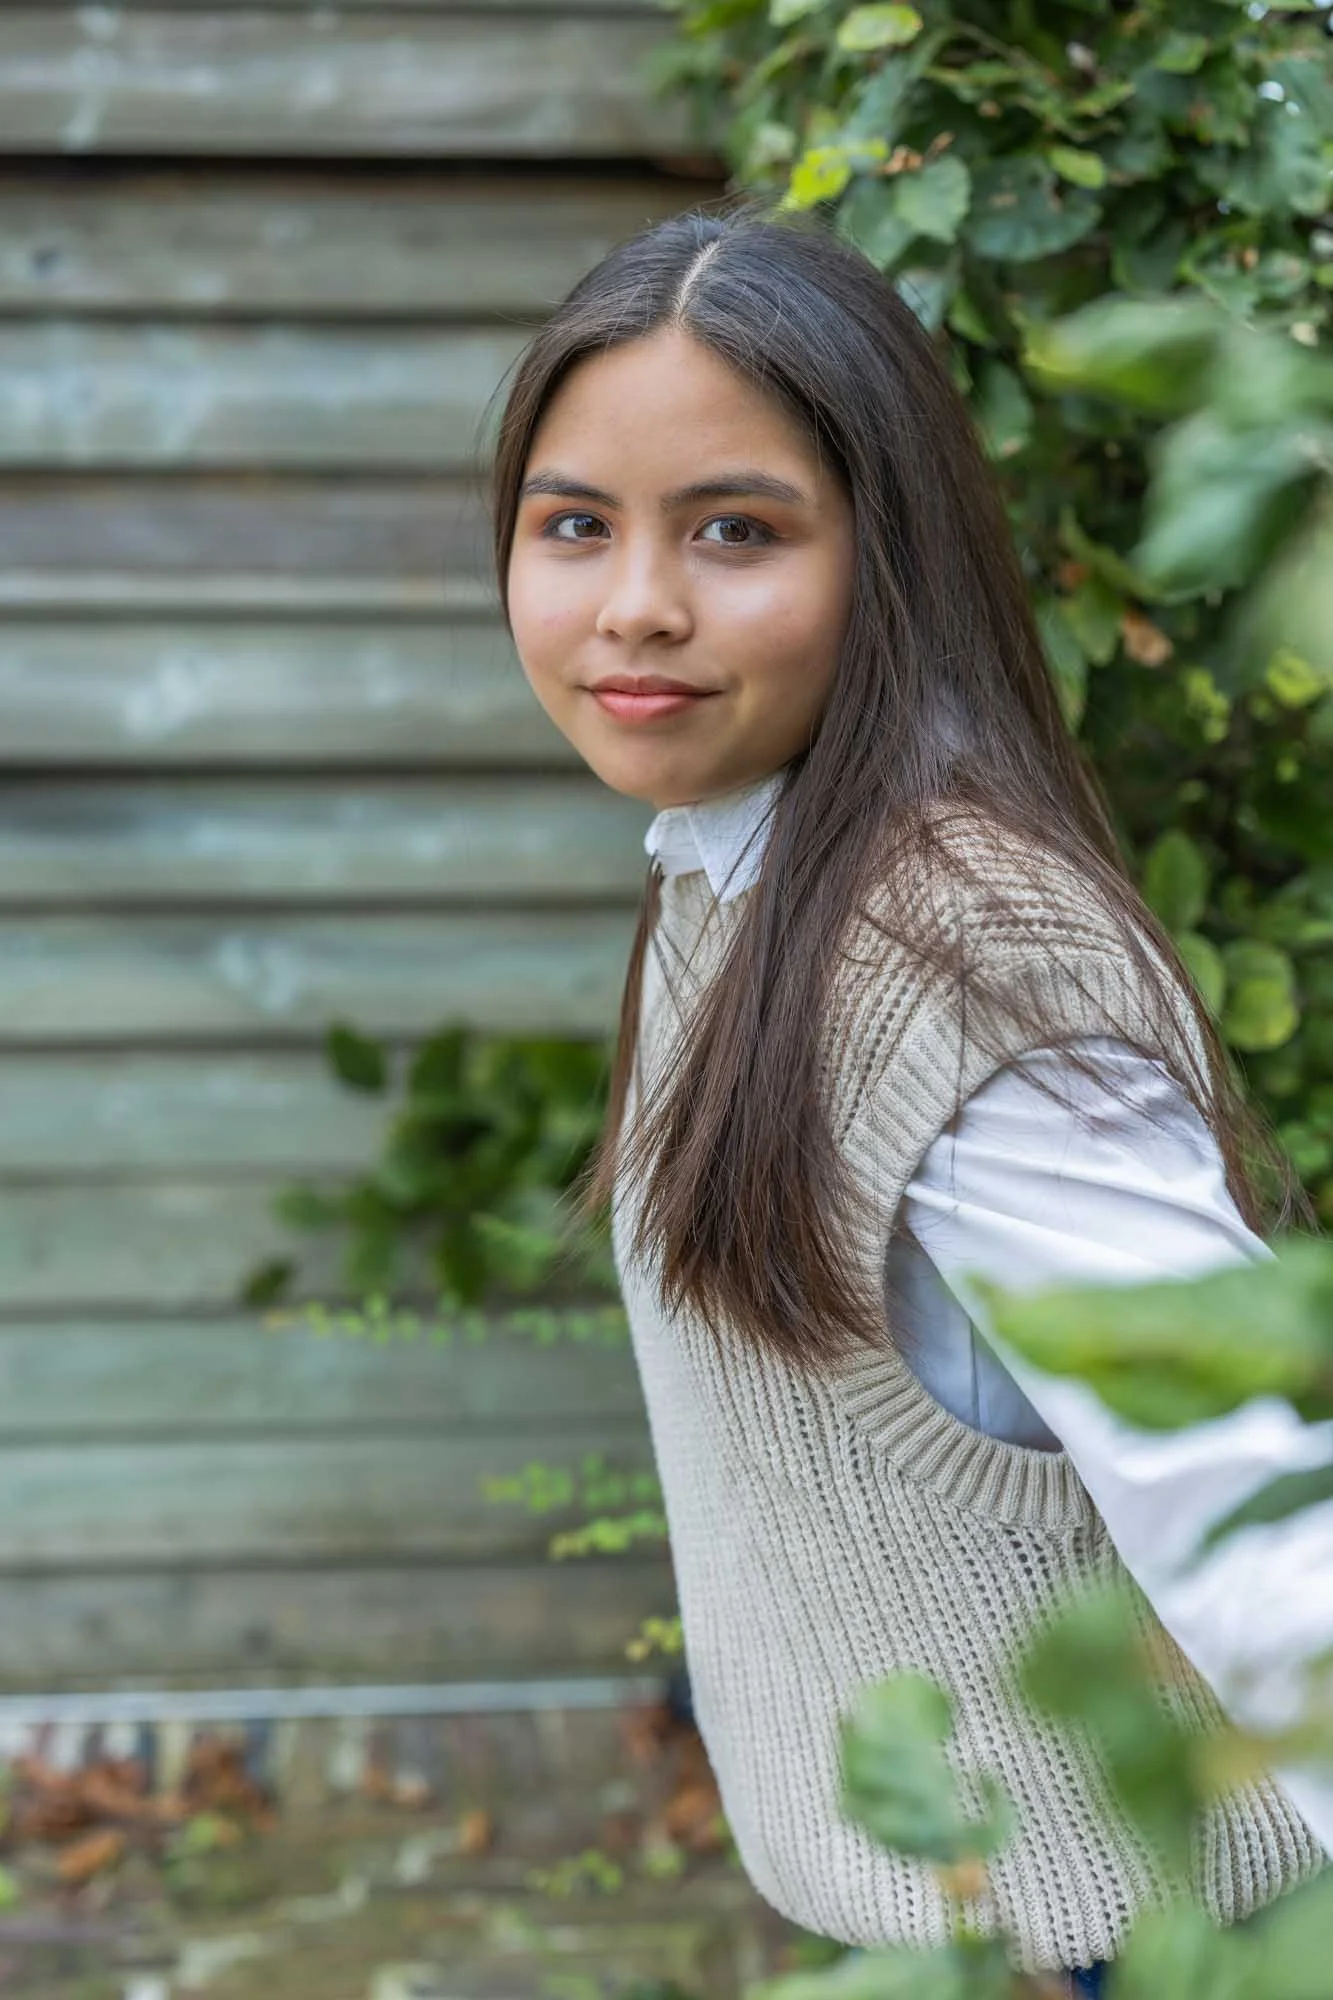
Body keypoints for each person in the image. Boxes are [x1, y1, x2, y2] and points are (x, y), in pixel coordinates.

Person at [488, 201, 1332, 1992]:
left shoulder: (959, 961)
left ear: (893, 557)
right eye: (576, 524)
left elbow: (1260, 1526)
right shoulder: (733, 868)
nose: (637, 602)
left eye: (737, 530)